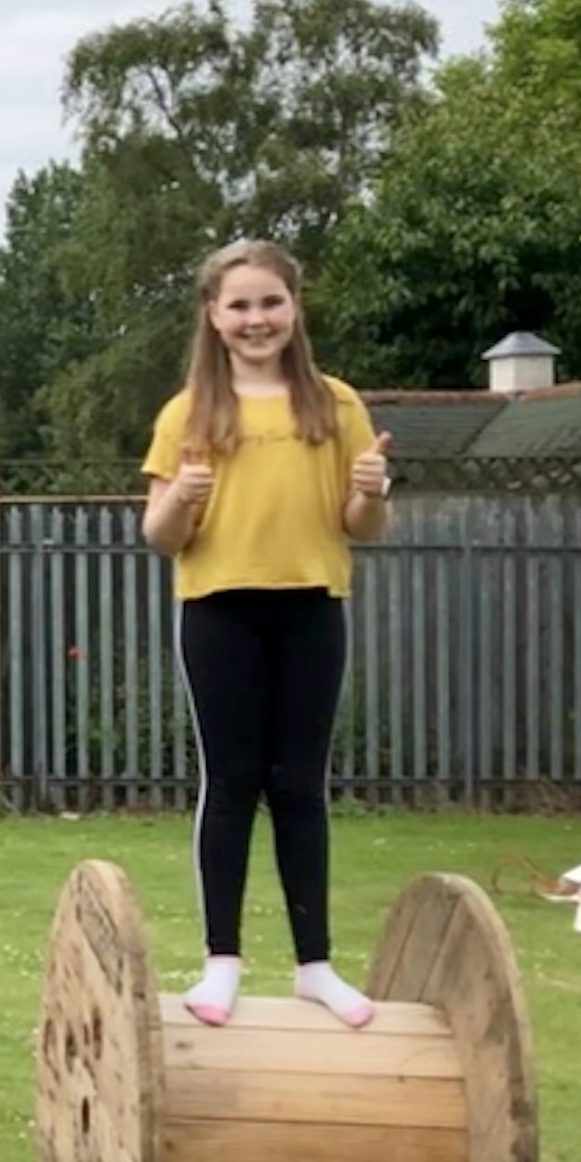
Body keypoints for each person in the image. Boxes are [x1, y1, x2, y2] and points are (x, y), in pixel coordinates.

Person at [140, 238, 394, 1028]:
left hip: (312, 605)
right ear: (214, 317)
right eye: (241, 305)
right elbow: (161, 536)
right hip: (219, 609)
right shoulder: (187, 414)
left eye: (271, 303)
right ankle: (221, 963)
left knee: (300, 785)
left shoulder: (336, 406)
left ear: (294, 308)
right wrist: (183, 496)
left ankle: (315, 966)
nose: (257, 319)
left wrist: (373, 491)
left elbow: (362, 526)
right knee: (233, 780)